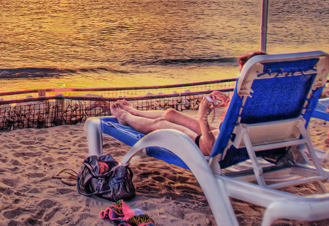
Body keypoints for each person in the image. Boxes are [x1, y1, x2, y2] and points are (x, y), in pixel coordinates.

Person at [109, 51, 261, 155]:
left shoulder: (245, 100)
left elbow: (210, 147)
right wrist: (229, 103)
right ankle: (135, 112)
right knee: (170, 114)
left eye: (240, 72)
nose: (238, 76)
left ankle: (125, 117)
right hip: (237, 140)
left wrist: (202, 115)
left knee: (161, 124)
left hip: (214, 146)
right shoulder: (262, 98)